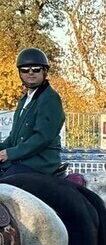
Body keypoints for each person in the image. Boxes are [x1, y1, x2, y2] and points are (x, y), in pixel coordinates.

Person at [0, 47, 65, 177]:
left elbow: (42, 137)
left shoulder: (50, 98)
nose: (30, 73)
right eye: (25, 69)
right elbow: (14, 138)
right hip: (23, 161)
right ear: (20, 73)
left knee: (5, 182)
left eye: (36, 69)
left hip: (41, 163)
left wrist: (10, 153)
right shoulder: (24, 100)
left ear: (44, 71)